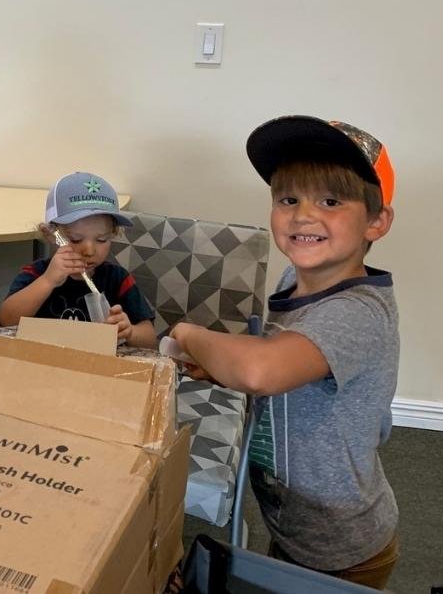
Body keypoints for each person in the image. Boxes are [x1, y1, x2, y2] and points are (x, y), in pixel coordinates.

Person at [169, 116, 399, 589]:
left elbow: (262, 370)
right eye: (288, 199)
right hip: (293, 524)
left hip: (342, 545)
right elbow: (275, 358)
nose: (302, 215)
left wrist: (188, 333)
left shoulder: (358, 312)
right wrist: (219, 371)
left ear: (377, 221)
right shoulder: (293, 282)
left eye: (331, 201)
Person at [0, 171, 156, 348]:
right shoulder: (36, 274)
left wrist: (130, 332)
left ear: (113, 234)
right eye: (75, 239)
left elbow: (150, 339)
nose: (88, 251)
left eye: (101, 239)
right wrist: (48, 281)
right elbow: (6, 322)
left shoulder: (118, 279)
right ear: (51, 235)